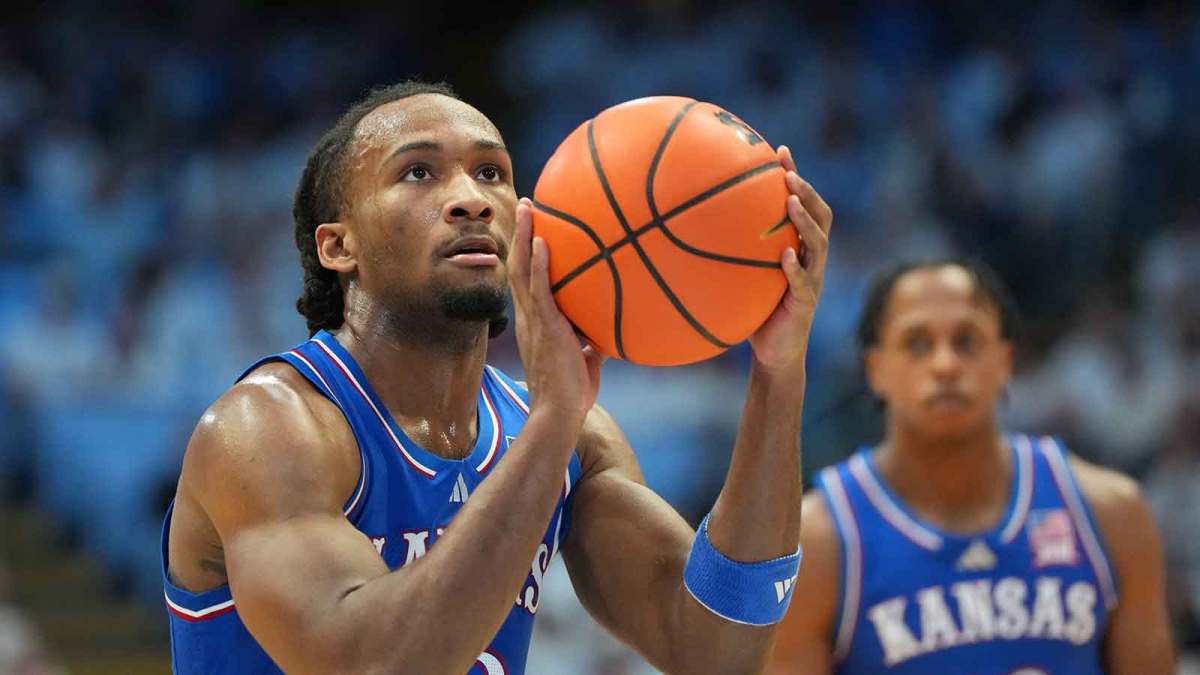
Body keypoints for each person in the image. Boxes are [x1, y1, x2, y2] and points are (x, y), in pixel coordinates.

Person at [161, 80, 833, 675]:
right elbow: (375, 665)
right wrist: (550, 427)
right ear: (338, 245)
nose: (470, 200)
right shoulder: (268, 429)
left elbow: (715, 651)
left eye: (491, 172)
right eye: (419, 172)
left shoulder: (567, 435)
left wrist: (777, 376)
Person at [769, 259, 1176, 674]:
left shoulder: (1111, 513)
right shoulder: (820, 543)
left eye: (967, 341)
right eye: (918, 344)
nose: (945, 365)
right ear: (876, 369)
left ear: (1005, 360)